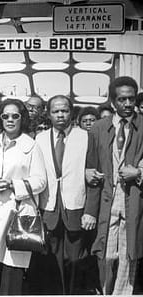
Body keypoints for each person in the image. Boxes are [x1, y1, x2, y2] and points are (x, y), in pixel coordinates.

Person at [0, 99, 47, 295]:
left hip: (18, 210)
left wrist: (13, 185)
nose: (10, 120)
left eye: (15, 116)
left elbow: (40, 181)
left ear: (22, 119)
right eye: (5, 116)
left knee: (13, 264)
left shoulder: (31, 146)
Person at [85, 76, 143, 295]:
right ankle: (106, 291)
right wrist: (90, 210)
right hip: (106, 201)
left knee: (130, 255)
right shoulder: (98, 128)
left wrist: (138, 172)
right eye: (122, 99)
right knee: (106, 254)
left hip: (135, 200)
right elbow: (90, 168)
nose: (127, 104)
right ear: (112, 101)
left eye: (131, 99)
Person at [33, 95, 93, 294]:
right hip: (49, 207)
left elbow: (94, 177)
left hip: (75, 205)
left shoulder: (85, 137)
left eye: (65, 110)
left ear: (71, 112)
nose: (60, 115)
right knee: (50, 258)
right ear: (49, 114)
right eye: (56, 111)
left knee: (76, 259)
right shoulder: (39, 139)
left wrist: (91, 210)